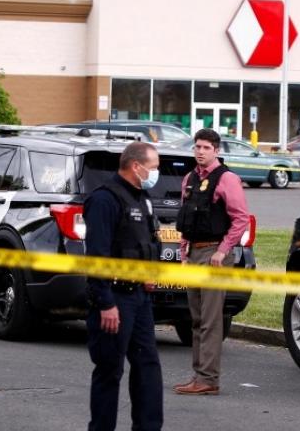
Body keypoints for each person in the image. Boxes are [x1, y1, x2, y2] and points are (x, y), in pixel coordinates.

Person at [84, 141, 163, 431]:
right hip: (114, 298)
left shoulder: (141, 198)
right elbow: (97, 257)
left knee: (148, 367)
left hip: (139, 298)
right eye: (153, 167)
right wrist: (105, 303)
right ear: (135, 166)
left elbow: (144, 244)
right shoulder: (105, 200)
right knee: (109, 371)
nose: (156, 173)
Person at [173, 128, 250, 396]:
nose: (200, 152)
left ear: (216, 150)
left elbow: (241, 219)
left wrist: (223, 250)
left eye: (206, 147)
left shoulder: (227, 179)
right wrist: (184, 252)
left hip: (215, 254)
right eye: (197, 147)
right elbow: (185, 219)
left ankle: (209, 378)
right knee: (195, 317)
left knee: (210, 319)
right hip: (195, 252)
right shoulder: (190, 179)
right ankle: (199, 376)